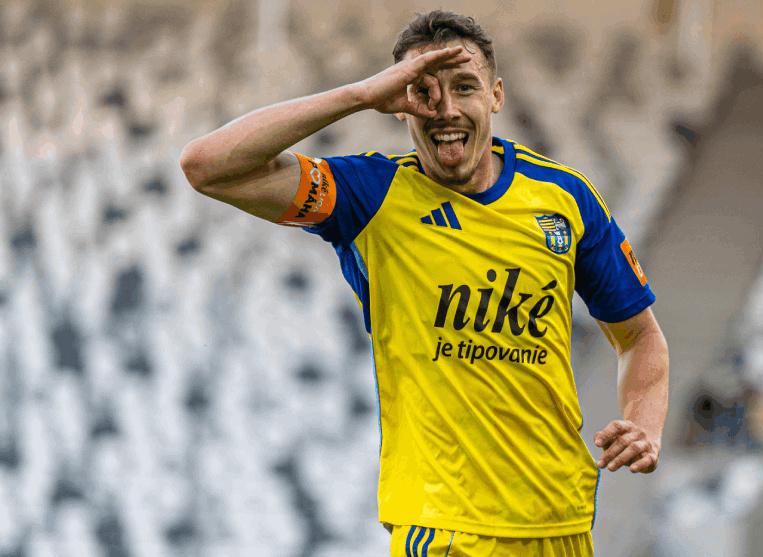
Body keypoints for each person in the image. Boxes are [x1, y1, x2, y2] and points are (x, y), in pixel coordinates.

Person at [180, 10, 669, 557]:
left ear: (496, 96)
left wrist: (644, 425)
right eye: (425, 91)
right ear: (399, 103)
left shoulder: (565, 198)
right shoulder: (368, 196)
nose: (447, 109)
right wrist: (359, 95)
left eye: (465, 87)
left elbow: (640, 336)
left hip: (562, 520)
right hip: (443, 526)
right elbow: (206, 166)